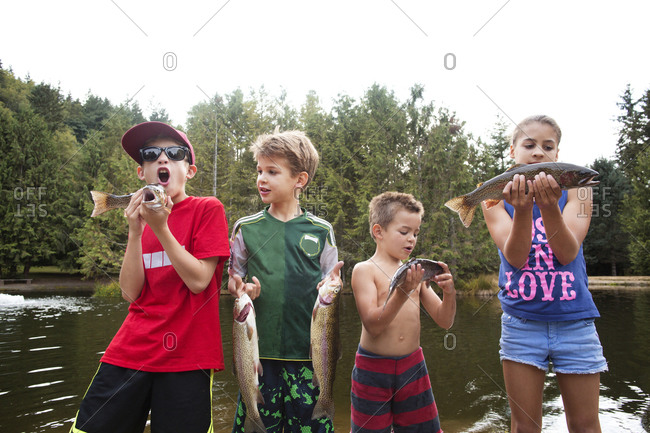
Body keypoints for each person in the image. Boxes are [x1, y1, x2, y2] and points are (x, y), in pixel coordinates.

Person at [70, 121, 230, 433]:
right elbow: (130, 294)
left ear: (190, 171)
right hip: (131, 348)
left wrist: (160, 227)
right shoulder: (142, 219)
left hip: (188, 355)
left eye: (174, 152)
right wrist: (135, 230)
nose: (162, 158)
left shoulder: (206, 209)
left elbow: (199, 281)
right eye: (150, 153)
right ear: (141, 173)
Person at [482, 115, 607, 433]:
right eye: (529, 144)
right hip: (521, 324)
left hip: (576, 323)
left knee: (585, 425)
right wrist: (523, 209)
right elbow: (516, 258)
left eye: (548, 146)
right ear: (512, 151)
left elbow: (566, 253)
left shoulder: (579, 191)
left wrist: (549, 207)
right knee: (525, 426)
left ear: (558, 156)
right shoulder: (494, 196)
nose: (538, 152)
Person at [228, 128, 343, 433]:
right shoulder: (245, 228)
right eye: (259, 170)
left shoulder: (321, 229)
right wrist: (243, 289)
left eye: (272, 171)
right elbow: (233, 281)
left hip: (308, 357)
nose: (261, 179)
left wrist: (334, 285)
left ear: (299, 180)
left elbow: (332, 281)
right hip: (257, 357)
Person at [350, 191, 456, 433]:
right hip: (372, 369)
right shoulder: (365, 270)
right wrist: (403, 291)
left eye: (416, 233)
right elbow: (373, 326)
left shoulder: (414, 272)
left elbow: (444, 320)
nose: (412, 239)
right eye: (404, 232)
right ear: (379, 232)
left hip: (413, 366)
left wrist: (449, 293)